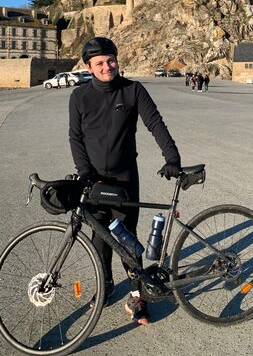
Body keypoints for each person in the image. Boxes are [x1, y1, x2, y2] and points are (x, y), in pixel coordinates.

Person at [68, 37, 181, 326]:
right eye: (100, 63)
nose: (107, 67)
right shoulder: (79, 97)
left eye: (111, 60)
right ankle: (105, 286)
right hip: (93, 178)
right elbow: (76, 137)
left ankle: (136, 295)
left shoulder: (132, 90)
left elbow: (154, 122)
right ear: (89, 67)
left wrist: (172, 158)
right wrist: (85, 173)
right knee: (99, 239)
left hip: (124, 178)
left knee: (127, 239)